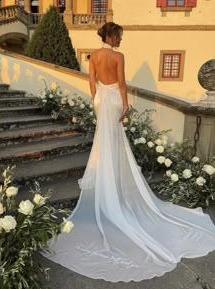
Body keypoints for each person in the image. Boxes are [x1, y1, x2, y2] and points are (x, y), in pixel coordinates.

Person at [43, 22, 215, 282]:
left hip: (101, 98)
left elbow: (91, 82)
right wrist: (125, 105)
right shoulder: (117, 56)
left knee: (104, 141)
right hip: (113, 99)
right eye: (119, 36)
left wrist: (96, 100)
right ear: (111, 36)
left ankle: (107, 183)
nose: (121, 40)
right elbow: (122, 82)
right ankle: (115, 188)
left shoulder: (95, 55)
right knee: (114, 140)